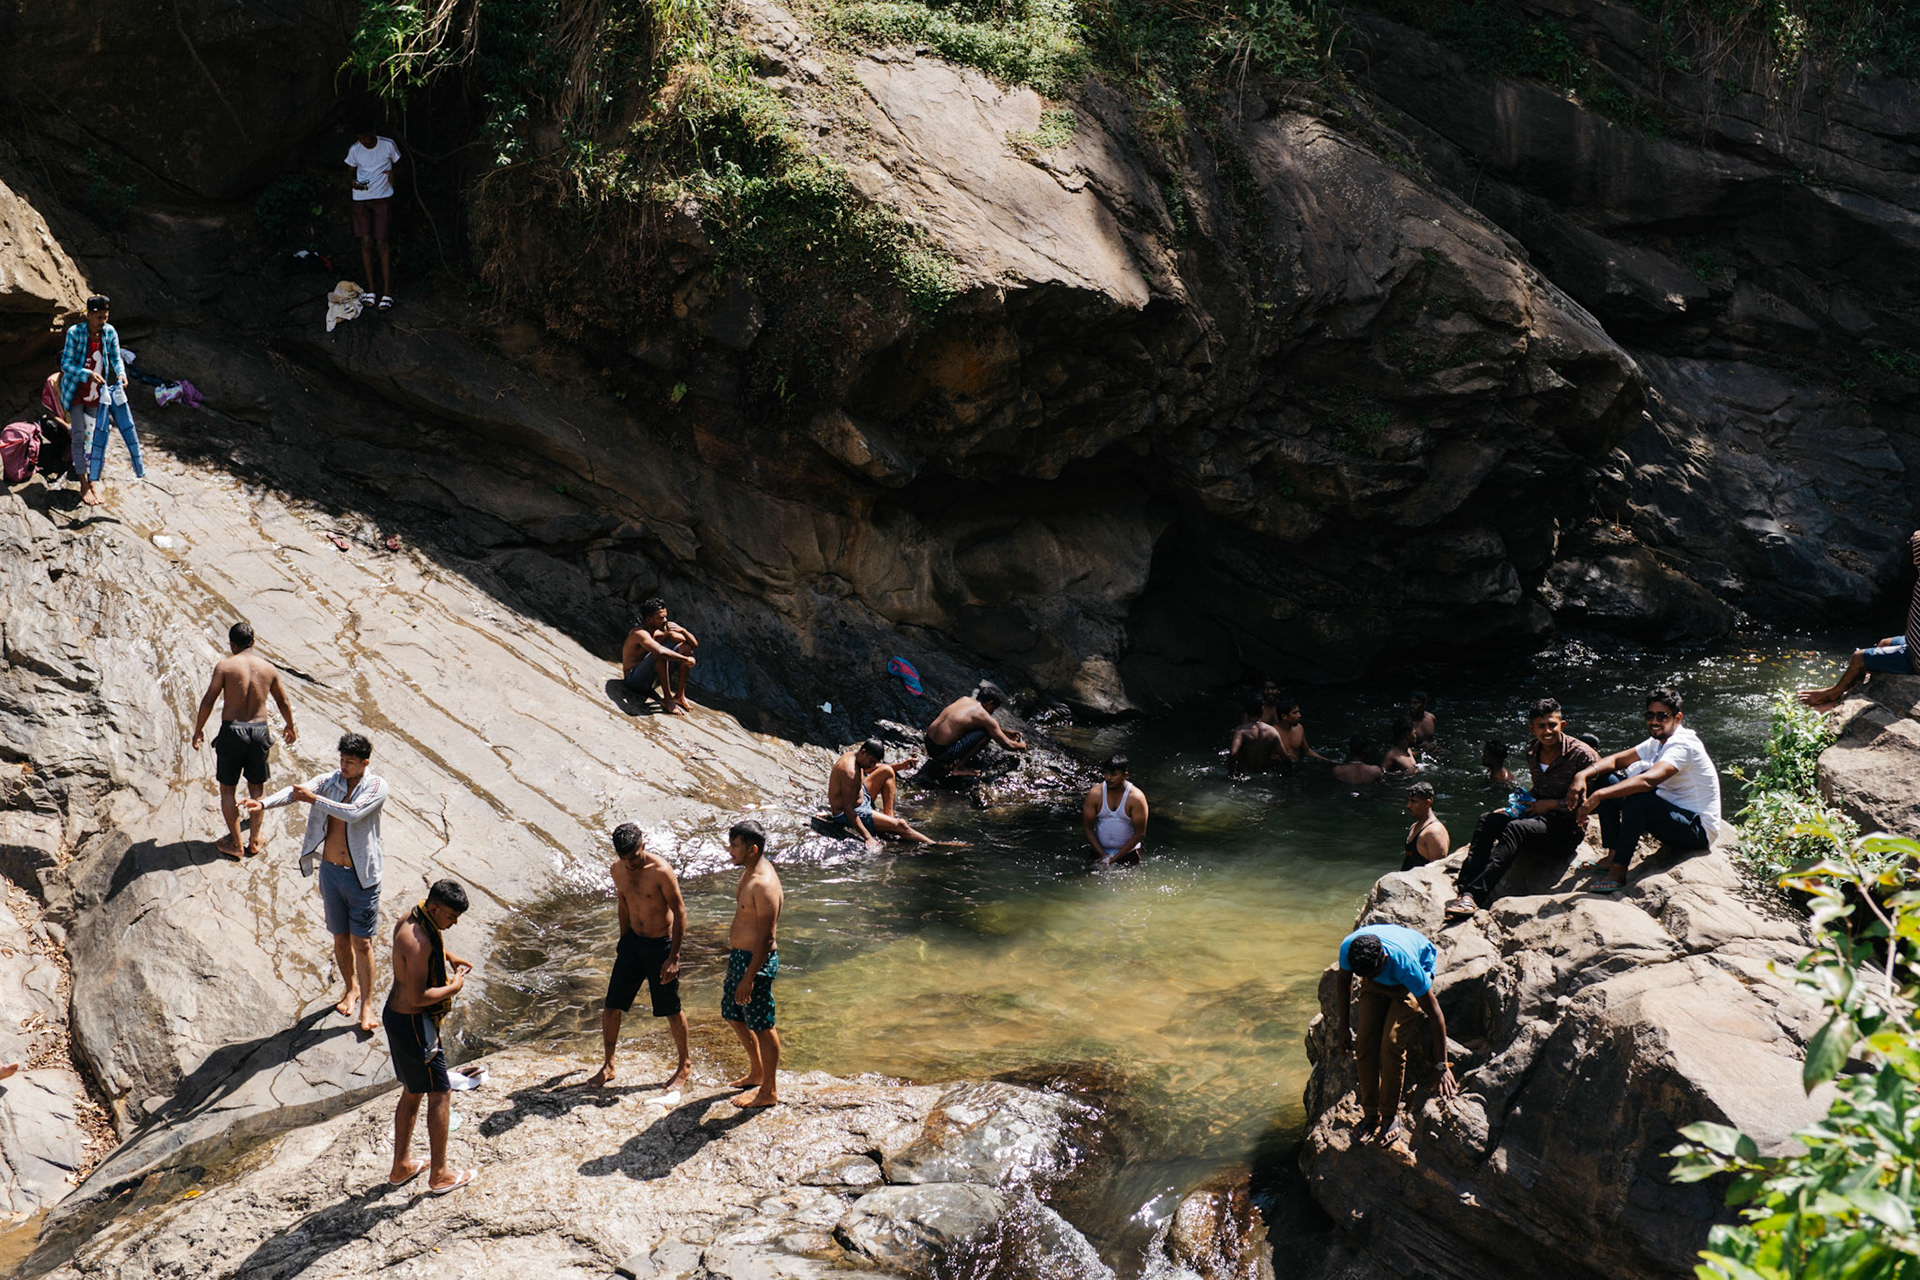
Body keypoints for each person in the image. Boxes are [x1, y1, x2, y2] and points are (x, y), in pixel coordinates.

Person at [244, 732, 388, 1033]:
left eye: (350, 762)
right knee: (340, 937)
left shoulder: (376, 786)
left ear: (365, 763)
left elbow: (353, 813)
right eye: (342, 760)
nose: (343, 766)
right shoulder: (330, 781)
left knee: (362, 942)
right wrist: (263, 804)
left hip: (362, 877)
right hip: (331, 872)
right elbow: (296, 792)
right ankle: (350, 988)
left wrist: (315, 800)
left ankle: (367, 1003)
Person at [1442, 698, 1599, 920]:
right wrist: (1515, 808)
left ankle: (1474, 896)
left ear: (1562, 725)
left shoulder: (1583, 755)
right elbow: (1539, 789)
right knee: (1488, 819)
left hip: (1566, 830)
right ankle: (1464, 890)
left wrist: (1552, 804)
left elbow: (1594, 801)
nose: (1547, 731)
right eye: (1541, 726)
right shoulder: (1532, 751)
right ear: (1532, 729)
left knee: (1516, 829)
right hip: (1537, 820)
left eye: (1552, 725)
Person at [1569, 687, 1722, 894]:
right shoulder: (1657, 742)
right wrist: (1582, 775)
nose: (1654, 721)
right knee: (1607, 780)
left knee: (1637, 798)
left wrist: (1598, 795)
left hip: (1697, 830)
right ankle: (1612, 856)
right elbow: (1616, 760)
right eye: (1650, 716)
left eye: (1662, 716)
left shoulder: (1682, 745)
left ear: (1677, 718)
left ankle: (1618, 872)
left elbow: (1649, 781)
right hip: (1671, 814)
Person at [385, 878, 476, 1194]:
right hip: (413, 1023)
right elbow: (418, 997)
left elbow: (428, 948)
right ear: (435, 908)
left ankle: (400, 1167)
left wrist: (448, 957)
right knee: (440, 1092)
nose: (454, 923)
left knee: (413, 1090)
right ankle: (440, 1175)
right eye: (451, 916)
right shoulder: (418, 942)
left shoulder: (412, 918)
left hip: (397, 1018)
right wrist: (454, 987)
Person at [1335, 924, 1457, 1146]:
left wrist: (1442, 1065)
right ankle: (1371, 1114)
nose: (1368, 977)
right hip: (1376, 984)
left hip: (1404, 985)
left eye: (1372, 973)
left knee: (1391, 1043)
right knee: (1363, 1044)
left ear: (1384, 958)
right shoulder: (1350, 949)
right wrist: (1343, 1027)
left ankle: (1390, 1115)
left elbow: (1435, 1014)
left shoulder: (1407, 966)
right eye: (1364, 975)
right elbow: (1343, 980)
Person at [588, 824, 689, 1091]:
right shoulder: (617, 869)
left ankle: (684, 1065)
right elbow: (623, 903)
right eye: (626, 859)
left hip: (661, 945)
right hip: (632, 943)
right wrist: (624, 940)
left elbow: (680, 912)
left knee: (671, 1008)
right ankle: (609, 1065)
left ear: (643, 845)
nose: (631, 864)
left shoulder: (660, 871)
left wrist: (674, 957)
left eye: (635, 857)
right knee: (612, 1006)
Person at [190, 621, 298, 857]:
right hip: (259, 731)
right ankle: (255, 840)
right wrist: (290, 726)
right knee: (257, 788)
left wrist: (198, 730)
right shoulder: (268, 668)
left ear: (232, 644)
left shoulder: (225, 666)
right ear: (253, 642)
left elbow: (208, 700)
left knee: (228, 790)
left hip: (233, 731)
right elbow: (283, 702)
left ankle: (236, 845)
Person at [1798, 530, 1920, 708]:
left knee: (1858, 658)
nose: (1913, 560)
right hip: (1912, 644)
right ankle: (1853, 689)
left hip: (1916, 657)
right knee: (1884, 643)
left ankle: (1834, 693)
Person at [723, 820, 783, 1108]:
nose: (729, 850)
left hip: (755, 962)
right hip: (740, 957)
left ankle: (768, 1091)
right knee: (732, 1013)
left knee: (762, 1025)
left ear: (753, 849)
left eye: (735, 846)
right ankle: (757, 1072)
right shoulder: (748, 871)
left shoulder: (763, 884)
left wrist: (749, 977)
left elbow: (767, 937)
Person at [57, 295, 127, 505]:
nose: (102, 322)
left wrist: (121, 374)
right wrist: (87, 374)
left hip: (97, 395)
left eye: (105, 317)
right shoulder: (75, 333)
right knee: (79, 436)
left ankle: (94, 480)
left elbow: (116, 357)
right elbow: (66, 364)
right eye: (98, 317)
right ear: (88, 315)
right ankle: (83, 483)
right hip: (76, 393)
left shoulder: (109, 332)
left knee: (96, 438)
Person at [825, 741, 947, 848]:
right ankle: (935, 845)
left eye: (875, 762)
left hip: (861, 795)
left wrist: (902, 766)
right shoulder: (850, 772)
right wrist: (868, 838)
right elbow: (848, 809)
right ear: (863, 752)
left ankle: (889, 821)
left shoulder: (856, 756)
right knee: (901, 825)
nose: (872, 766)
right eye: (871, 761)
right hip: (850, 812)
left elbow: (872, 768)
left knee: (887, 771)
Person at [345, 123, 402, 310]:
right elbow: (349, 174)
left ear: (373, 132)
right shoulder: (355, 150)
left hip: (382, 199)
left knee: (382, 243)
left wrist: (394, 173)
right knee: (366, 242)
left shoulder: (387, 145)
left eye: (365, 137)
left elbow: (401, 165)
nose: (363, 141)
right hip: (361, 199)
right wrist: (353, 182)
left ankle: (387, 292)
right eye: (359, 138)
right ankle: (371, 290)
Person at [923, 683, 1027, 778]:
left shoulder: (964, 699)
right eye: (993, 709)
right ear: (989, 703)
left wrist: (1005, 732)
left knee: (979, 728)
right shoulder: (984, 716)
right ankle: (959, 768)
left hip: (928, 743)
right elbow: (1008, 745)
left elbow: (971, 724)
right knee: (986, 733)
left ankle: (947, 761)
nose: (991, 713)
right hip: (942, 753)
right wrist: (1022, 746)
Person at [621, 598, 698, 716]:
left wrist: (683, 631)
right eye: (661, 618)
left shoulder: (660, 632)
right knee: (659, 654)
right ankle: (668, 699)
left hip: (649, 682)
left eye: (665, 617)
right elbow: (660, 652)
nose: (665, 620)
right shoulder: (639, 633)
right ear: (649, 620)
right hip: (633, 681)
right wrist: (686, 660)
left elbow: (693, 644)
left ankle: (679, 696)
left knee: (686, 648)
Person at [1080, 754, 1149, 868]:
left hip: (1128, 852)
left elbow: (1139, 833)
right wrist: (1102, 855)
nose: (1108, 778)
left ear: (1125, 775)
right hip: (1099, 851)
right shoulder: (1095, 794)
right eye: (1106, 773)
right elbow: (1087, 828)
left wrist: (1114, 858)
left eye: (1114, 774)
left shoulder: (1136, 798)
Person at [1400, 782, 1449, 871]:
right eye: (1408, 801)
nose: (1408, 805)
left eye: (1413, 801)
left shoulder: (1434, 832)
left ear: (1427, 803)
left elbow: (1438, 870)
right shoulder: (1414, 826)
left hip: (1422, 879)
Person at [1271, 697, 1331, 769]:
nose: (1299, 715)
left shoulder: (1299, 728)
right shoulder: (1271, 733)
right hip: (1277, 769)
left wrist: (1327, 761)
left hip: (1296, 766)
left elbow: (1306, 751)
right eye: (1295, 713)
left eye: (1298, 712)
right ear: (1284, 716)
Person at [1228, 699, 1283, 775]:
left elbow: (1233, 754)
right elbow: (1284, 757)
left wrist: (1231, 774)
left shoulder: (1241, 731)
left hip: (1245, 774)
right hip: (1264, 774)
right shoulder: (1272, 731)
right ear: (1262, 709)